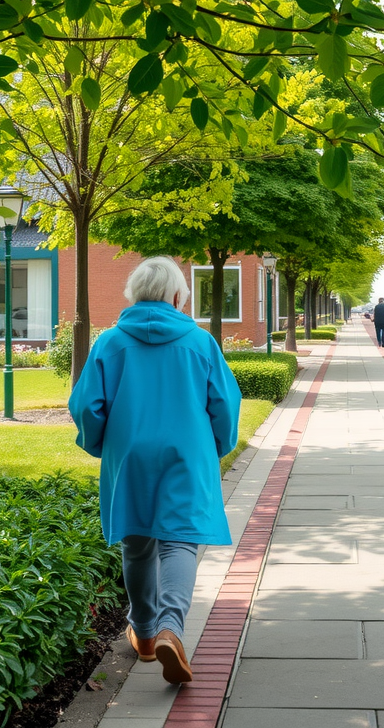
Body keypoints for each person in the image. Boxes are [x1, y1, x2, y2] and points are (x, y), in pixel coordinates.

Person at [68, 256, 242, 685]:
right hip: (186, 453)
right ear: (178, 296)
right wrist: (215, 447)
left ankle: (144, 635)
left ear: (134, 295)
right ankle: (171, 629)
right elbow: (224, 404)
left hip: (129, 454)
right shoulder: (200, 343)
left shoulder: (109, 343)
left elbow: (86, 405)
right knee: (180, 541)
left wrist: (100, 444)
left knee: (137, 541)